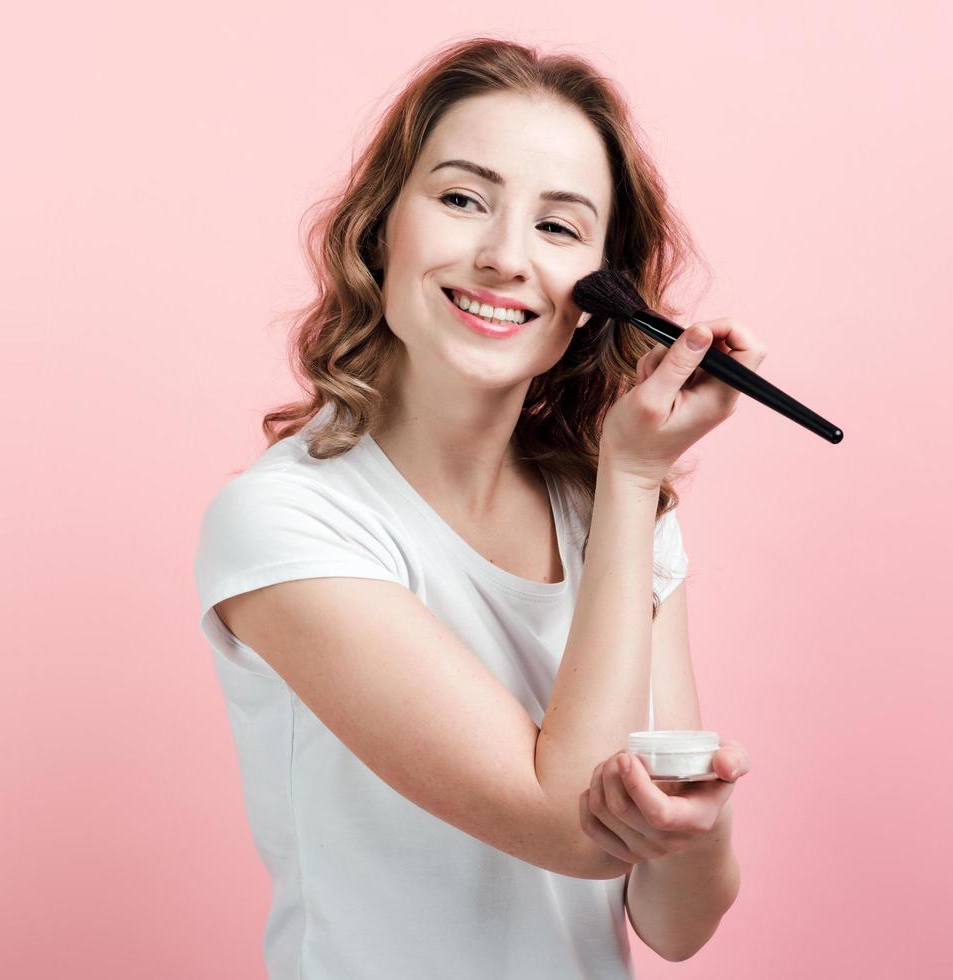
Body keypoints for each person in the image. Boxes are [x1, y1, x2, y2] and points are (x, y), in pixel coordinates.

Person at [194, 37, 763, 979]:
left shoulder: (618, 516)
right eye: (461, 200)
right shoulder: (286, 521)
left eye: (558, 227)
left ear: (598, 294)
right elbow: (571, 829)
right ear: (381, 228)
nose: (503, 257)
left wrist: (692, 828)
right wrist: (627, 482)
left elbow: (673, 924)